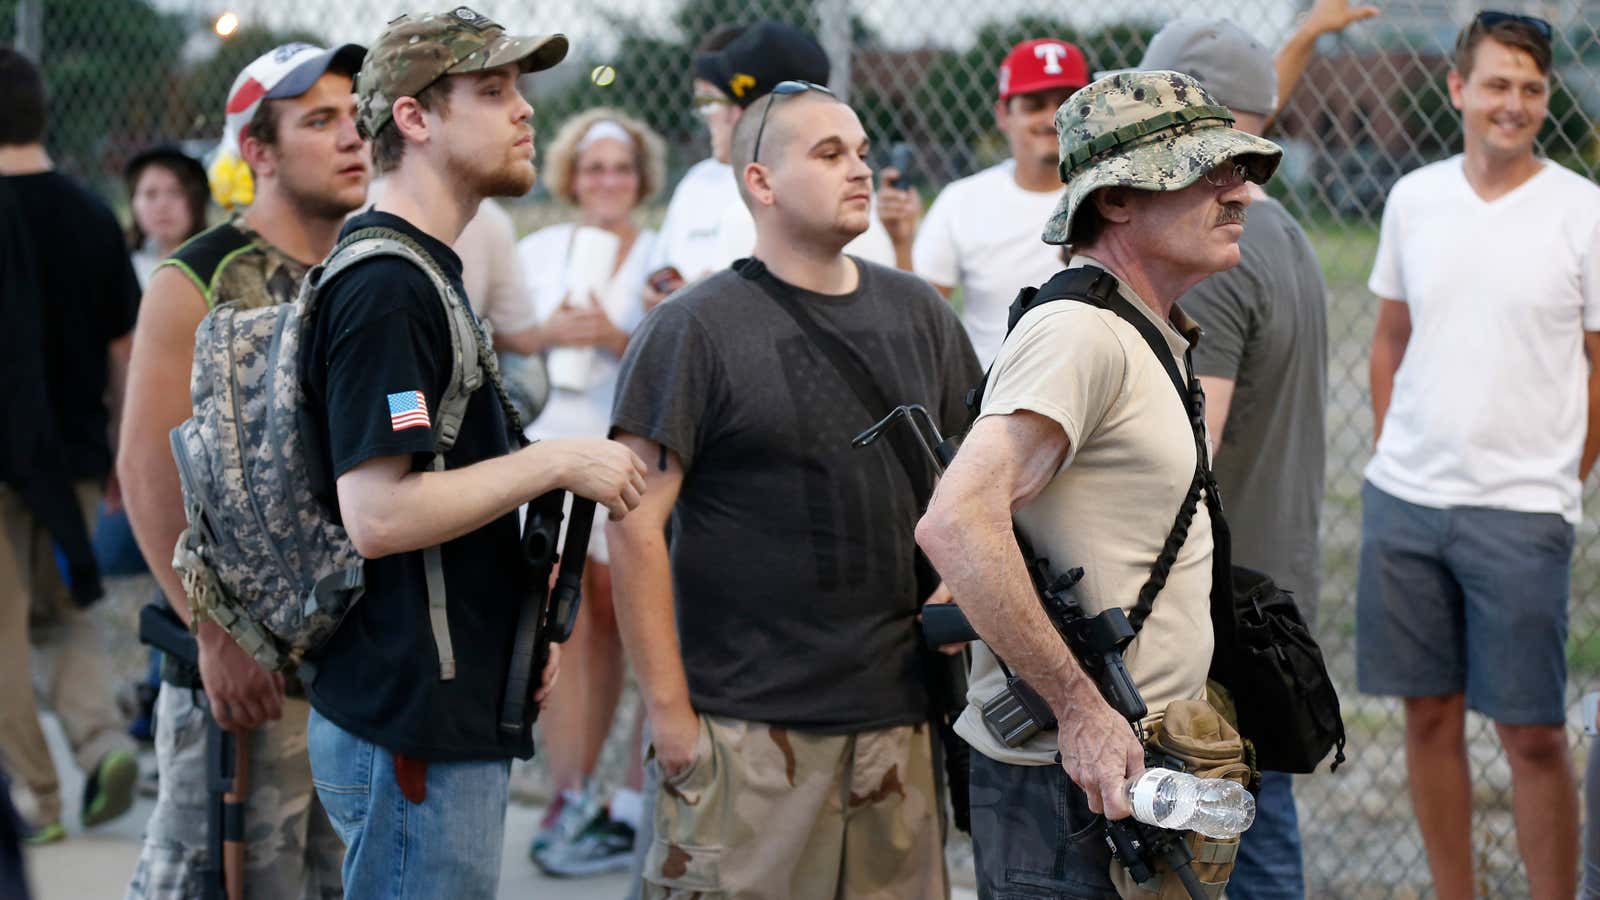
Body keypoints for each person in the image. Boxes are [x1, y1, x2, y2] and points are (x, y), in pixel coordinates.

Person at [300, 10, 646, 896]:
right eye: (491, 92)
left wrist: (513, 624)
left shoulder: (427, 269)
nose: (523, 111)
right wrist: (560, 461)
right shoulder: (388, 287)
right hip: (411, 717)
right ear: (414, 119)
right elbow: (377, 513)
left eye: (519, 90)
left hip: (438, 701)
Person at [609, 80, 980, 900]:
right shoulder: (692, 329)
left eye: (859, 151)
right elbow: (634, 528)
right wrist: (672, 721)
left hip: (899, 724)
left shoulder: (918, 313)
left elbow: (982, 474)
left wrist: (968, 572)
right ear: (760, 182)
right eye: (828, 153)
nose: (859, 169)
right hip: (749, 734)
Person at [916, 70, 1282, 897]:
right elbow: (956, 524)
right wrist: (1080, 709)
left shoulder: (1141, 327)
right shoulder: (1079, 332)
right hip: (1073, 788)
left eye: (1240, 172)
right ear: (1115, 199)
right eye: (1207, 171)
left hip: (1127, 773)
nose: (1242, 195)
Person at [1133, 12, 1383, 897]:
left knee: (1234, 836)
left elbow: (1184, 458)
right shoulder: (1282, 233)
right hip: (1269, 587)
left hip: (1217, 604)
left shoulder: (1226, 258)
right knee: (1253, 816)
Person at [118, 42, 369, 899]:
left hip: (361, 676)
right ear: (256, 150)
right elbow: (149, 469)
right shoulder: (200, 276)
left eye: (357, 115)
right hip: (246, 684)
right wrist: (213, 634)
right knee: (209, 879)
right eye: (320, 120)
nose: (353, 136)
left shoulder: (371, 270)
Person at [1358, 11, 1600, 900]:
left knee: (1532, 732)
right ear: (1459, 89)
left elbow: (1597, 363)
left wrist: (1560, 475)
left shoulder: (1582, 210)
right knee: (1429, 718)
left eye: (1532, 89)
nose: (1515, 103)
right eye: (1497, 84)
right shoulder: (1414, 198)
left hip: (1524, 507)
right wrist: (1394, 448)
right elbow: (1390, 336)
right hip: (1406, 501)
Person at [514, 107, 666, 877]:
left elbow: (672, 351)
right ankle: (567, 789)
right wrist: (549, 335)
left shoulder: (663, 256)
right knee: (560, 622)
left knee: (618, 619)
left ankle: (626, 798)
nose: (607, 180)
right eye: (594, 167)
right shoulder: (538, 248)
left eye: (622, 167)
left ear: (641, 179)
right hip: (548, 449)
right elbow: (506, 336)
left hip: (625, 452)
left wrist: (612, 335)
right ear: (571, 175)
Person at [0, 46, 141, 847]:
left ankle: (34, 795)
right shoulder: (91, 213)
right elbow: (123, 348)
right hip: (80, 453)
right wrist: (120, 449)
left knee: (3, 630)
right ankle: (104, 744)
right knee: (66, 612)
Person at [643, 20, 896, 303]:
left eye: (712, 101)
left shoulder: (764, 217)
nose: (709, 116)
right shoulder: (700, 184)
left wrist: (697, 304)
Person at [907, 37, 1089, 366]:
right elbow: (916, 319)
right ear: (1003, 114)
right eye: (1034, 105)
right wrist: (900, 241)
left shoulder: (1113, 195)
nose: (1052, 119)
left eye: (1065, 104)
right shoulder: (962, 200)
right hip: (989, 399)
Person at [125, 145, 210, 287]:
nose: (162, 205)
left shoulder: (218, 265)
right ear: (133, 201)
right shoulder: (122, 266)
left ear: (197, 201)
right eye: (150, 194)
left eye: (176, 193)